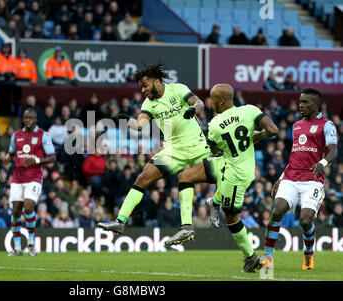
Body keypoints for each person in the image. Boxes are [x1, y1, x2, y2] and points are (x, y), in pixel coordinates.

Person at [165, 83, 278, 272]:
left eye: (211, 97)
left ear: (219, 100)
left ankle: (250, 257)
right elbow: (273, 131)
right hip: (232, 165)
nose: (210, 101)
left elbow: (215, 150)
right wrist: (257, 136)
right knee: (186, 176)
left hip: (236, 174)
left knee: (231, 216)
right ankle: (194, 220)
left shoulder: (215, 125)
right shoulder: (250, 110)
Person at [98, 63, 212, 238]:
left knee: (217, 176)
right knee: (143, 177)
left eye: (145, 85)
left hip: (197, 145)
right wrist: (128, 120)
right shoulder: (148, 104)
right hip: (173, 150)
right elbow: (140, 125)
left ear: (157, 81)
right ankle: (120, 222)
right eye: (141, 87)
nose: (143, 90)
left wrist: (193, 109)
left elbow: (199, 103)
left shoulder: (178, 89)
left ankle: (215, 205)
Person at [262, 88, 338, 270]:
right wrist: (281, 178)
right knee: (276, 211)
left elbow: (334, 150)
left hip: (312, 179)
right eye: (300, 101)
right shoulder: (296, 125)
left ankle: (309, 252)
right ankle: (267, 257)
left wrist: (322, 163)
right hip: (291, 177)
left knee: (305, 220)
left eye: (305, 102)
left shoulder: (326, 125)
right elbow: (295, 155)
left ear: (316, 104)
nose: (300, 105)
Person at [4, 108, 56, 256]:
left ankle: (31, 242)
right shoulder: (16, 136)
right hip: (17, 177)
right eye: (26, 118)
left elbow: (52, 157)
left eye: (31, 118)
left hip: (34, 177)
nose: (28, 120)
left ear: (36, 120)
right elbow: (12, 152)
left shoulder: (43, 136)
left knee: (28, 206)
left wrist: (37, 160)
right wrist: (8, 158)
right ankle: (18, 248)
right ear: (23, 119)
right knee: (15, 211)